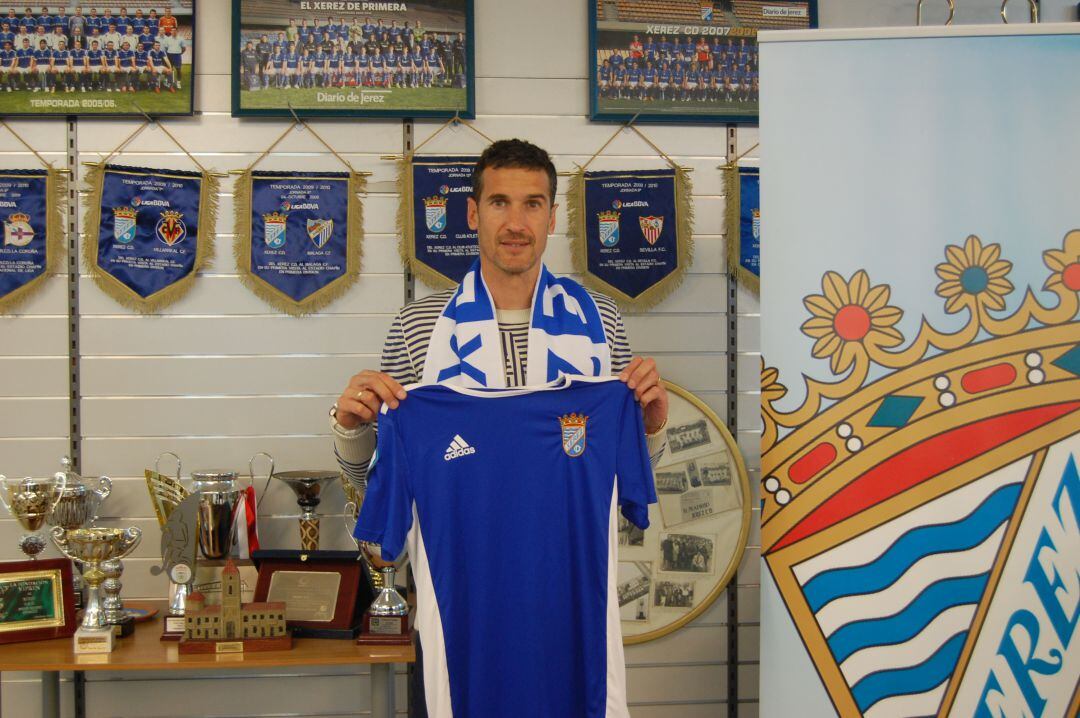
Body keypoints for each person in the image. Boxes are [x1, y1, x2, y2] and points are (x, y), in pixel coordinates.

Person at [331, 138, 668, 505]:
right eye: (499, 203)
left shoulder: (600, 320)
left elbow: (623, 477)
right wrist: (351, 428)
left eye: (532, 204)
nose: (516, 224)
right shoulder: (416, 326)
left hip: (567, 538)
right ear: (473, 214)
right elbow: (380, 483)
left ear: (551, 217)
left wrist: (651, 429)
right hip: (457, 538)